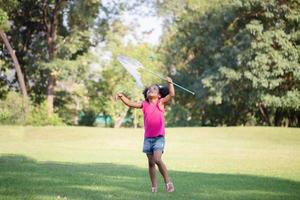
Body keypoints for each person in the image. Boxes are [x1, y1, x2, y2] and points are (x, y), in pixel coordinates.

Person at [115, 77, 175, 193]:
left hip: (158, 138)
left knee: (157, 159)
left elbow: (171, 94)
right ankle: (154, 187)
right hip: (148, 139)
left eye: (154, 89)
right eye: (149, 89)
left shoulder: (160, 103)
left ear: (159, 95)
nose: (150, 90)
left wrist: (170, 83)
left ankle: (168, 182)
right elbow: (130, 104)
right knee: (151, 163)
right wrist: (122, 96)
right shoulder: (144, 104)